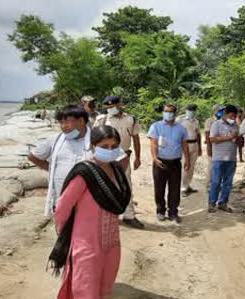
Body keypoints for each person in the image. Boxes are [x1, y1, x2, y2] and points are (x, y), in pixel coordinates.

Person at [49, 125, 130, 299]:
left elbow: (120, 201)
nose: (109, 151)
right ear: (92, 146)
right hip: (87, 247)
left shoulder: (116, 170)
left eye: (113, 146)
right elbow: (62, 210)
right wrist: (69, 238)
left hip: (110, 246)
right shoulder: (84, 173)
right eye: (103, 147)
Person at [29, 105, 92, 217]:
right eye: (60, 122)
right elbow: (33, 156)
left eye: (67, 122)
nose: (63, 127)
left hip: (90, 199)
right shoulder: (56, 139)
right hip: (61, 197)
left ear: (81, 121)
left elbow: (121, 159)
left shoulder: (97, 138)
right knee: (63, 230)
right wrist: (53, 168)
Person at [94, 95, 145, 229]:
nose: (110, 109)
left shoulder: (131, 119)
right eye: (108, 107)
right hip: (105, 156)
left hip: (123, 157)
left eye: (112, 107)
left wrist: (138, 158)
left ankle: (129, 216)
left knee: (125, 185)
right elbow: (93, 138)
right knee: (104, 185)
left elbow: (136, 138)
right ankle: (106, 216)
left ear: (120, 105)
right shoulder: (102, 119)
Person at [147, 104, 190, 223]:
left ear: (175, 114)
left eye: (170, 112)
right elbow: (153, 143)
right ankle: (160, 211)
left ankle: (173, 212)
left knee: (175, 189)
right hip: (160, 162)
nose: (168, 113)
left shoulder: (181, 128)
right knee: (159, 188)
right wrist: (155, 158)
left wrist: (188, 159)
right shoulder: (156, 126)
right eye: (166, 111)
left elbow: (184, 144)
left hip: (175, 163)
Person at [208, 104, 240, 213]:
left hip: (231, 159)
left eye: (234, 117)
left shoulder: (236, 126)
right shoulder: (216, 124)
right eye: (231, 116)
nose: (233, 118)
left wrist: (238, 138)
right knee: (216, 182)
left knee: (228, 183)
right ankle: (212, 203)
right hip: (218, 158)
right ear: (225, 114)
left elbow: (239, 142)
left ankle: (223, 203)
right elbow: (212, 139)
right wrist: (229, 137)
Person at [177, 104, 202, 198]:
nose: (191, 111)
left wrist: (199, 148)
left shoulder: (196, 121)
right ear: (186, 110)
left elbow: (198, 134)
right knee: (185, 166)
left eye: (193, 110)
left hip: (194, 144)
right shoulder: (180, 119)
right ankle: (182, 188)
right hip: (184, 145)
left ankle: (187, 185)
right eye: (190, 109)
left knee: (191, 167)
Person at [204, 105, 223, 179]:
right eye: (218, 110)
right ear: (214, 111)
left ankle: (219, 183)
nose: (220, 112)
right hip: (212, 146)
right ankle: (209, 184)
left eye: (221, 111)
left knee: (220, 166)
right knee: (211, 166)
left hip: (221, 147)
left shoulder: (223, 120)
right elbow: (207, 135)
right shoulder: (209, 121)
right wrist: (209, 148)